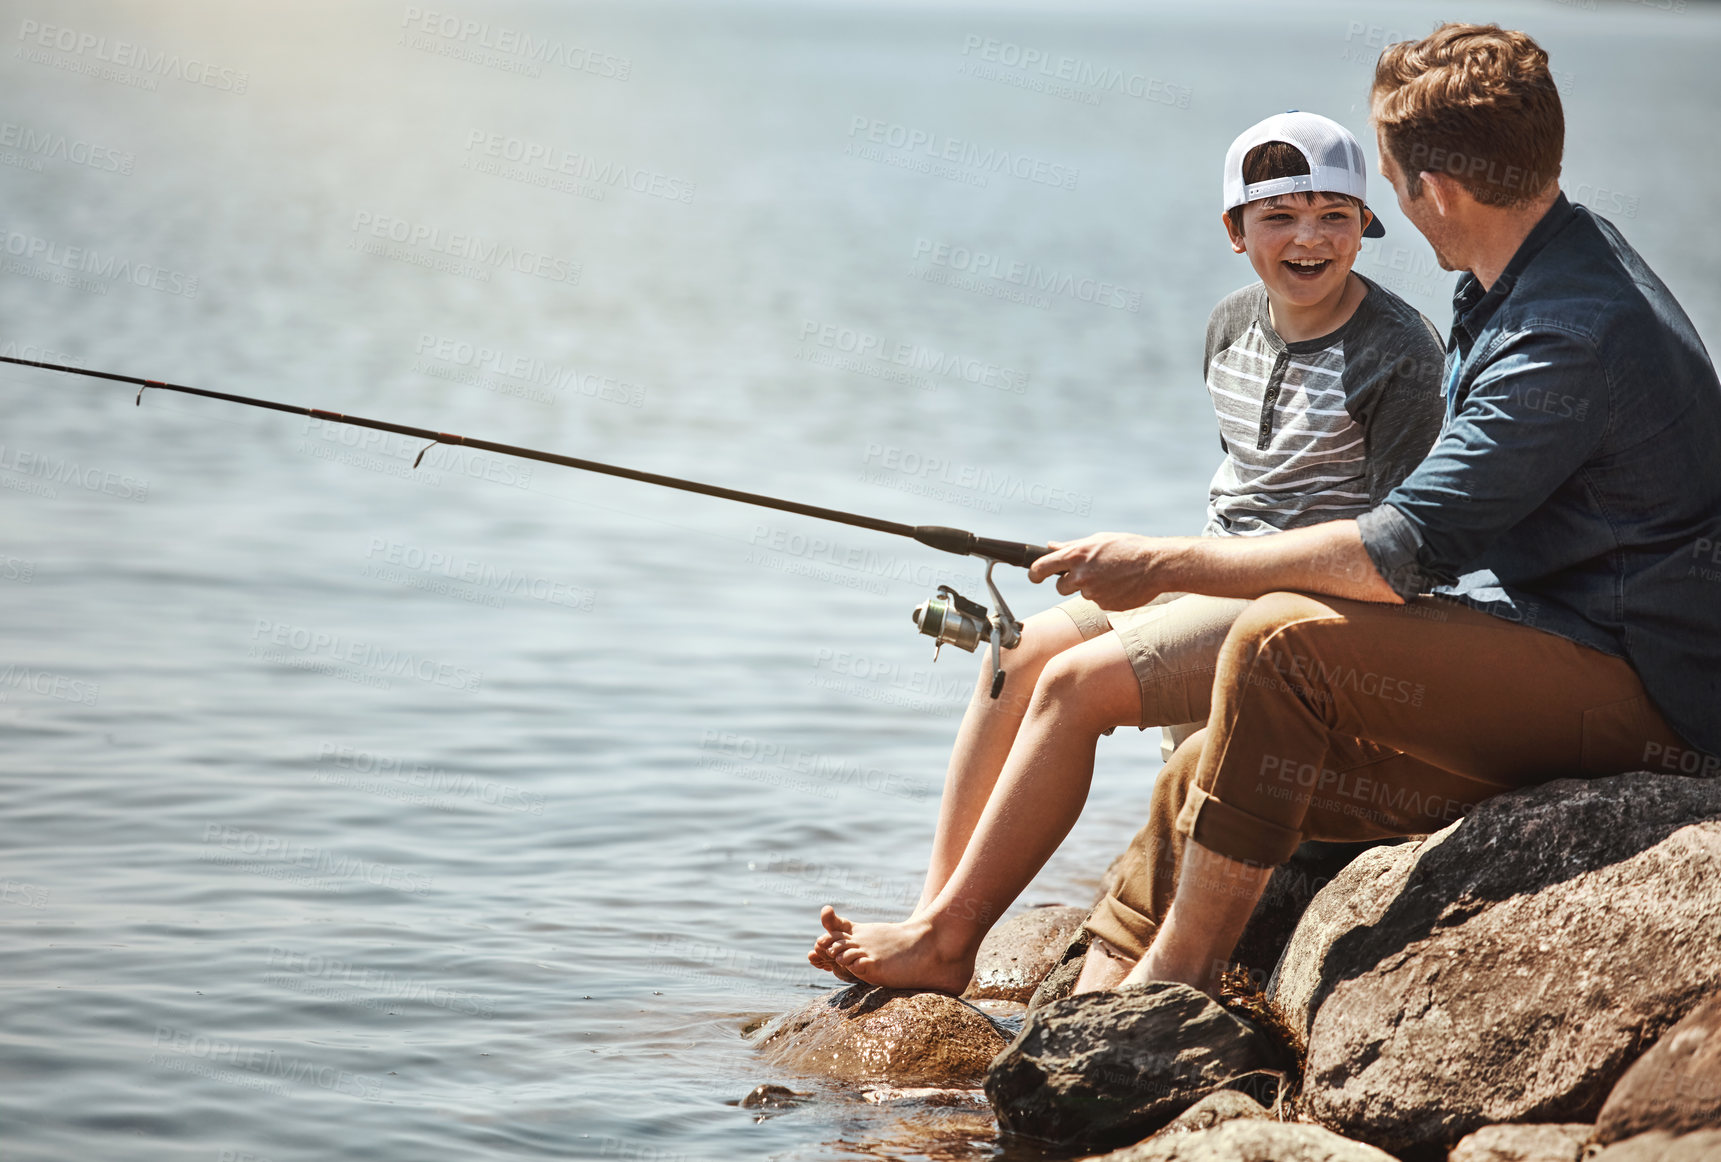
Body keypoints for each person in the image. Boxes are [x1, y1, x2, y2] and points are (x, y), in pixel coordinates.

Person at [1041, 21, 1721, 999]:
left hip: (1646, 685)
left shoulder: (1558, 337)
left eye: (1392, 185)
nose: (1387, 208)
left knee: (1280, 645)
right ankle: (1100, 986)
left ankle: (1172, 984)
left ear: (1433, 192)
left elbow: (1393, 553)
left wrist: (1165, 565)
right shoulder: (1530, 264)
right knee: (1207, 753)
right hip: (1562, 634)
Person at [809, 111, 1448, 993]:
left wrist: (1168, 568)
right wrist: (1165, 568)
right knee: (1016, 650)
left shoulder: (1402, 353)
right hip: (1212, 567)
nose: (1309, 239)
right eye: (1279, 217)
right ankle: (932, 919)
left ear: (1362, 227)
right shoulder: (1230, 326)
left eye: (1333, 215)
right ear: (1234, 232)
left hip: (1301, 605)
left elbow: (1392, 557)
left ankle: (954, 938)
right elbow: (1245, 495)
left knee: (1075, 687)